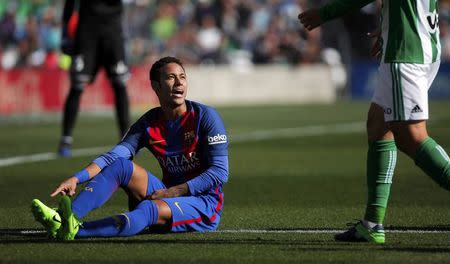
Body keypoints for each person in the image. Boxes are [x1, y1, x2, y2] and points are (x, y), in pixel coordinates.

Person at [299, 0, 450, 244]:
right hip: (417, 41)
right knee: (379, 126)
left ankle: (372, 224)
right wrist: (392, 26)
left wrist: (325, 14)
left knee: (412, 136)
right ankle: (372, 224)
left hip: (406, 52)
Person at [32, 56, 229, 240]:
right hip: (168, 193)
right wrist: (77, 178)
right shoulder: (149, 122)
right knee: (120, 166)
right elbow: (113, 157)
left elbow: (220, 172)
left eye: (182, 77)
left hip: (204, 203)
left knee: (149, 209)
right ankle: (62, 219)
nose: (179, 83)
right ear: (156, 86)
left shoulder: (205, 117)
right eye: (171, 78)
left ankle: (77, 230)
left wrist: (173, 193)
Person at [58, 0, 130, 157]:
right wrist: (65, 33)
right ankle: (66, 139)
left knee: (120, 85)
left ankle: (126, 139)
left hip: (112, 33)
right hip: (87, 34)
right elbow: (70, 4)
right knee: (77, 85)